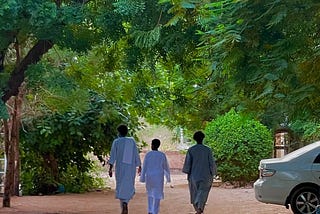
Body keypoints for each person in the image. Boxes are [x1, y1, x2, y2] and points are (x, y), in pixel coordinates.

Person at [108, 124, 142, 214]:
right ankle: (125, 203)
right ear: (126, 132)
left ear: (119, 132)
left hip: (120, 168)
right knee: (128, 184)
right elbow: (136, 154)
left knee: (121, 184)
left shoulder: (116, 142)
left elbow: (112, 156)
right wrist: (139, 166)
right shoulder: (132, 141)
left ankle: (123, 204)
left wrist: (110, 168)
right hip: (130, 168)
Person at [182, 131, 217, 214]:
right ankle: (200, 207)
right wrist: (214, 172)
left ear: (194, 139)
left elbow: (188, 163)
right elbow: (211, 163)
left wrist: (188, 173)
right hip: (206, 175)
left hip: (194, 175)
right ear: (203, 138)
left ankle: (198, 209)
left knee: (194, 192)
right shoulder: (208, 150)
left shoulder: (191, 150)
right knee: (203, 191)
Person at [140, 139, 171, 214]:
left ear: (152, 145)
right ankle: (155, 211)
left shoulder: (148, 154)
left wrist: (142, 178)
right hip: (158, 177)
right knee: (157, 194)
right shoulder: (162, 155)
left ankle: (150, 210)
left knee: (150, 193)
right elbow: (166, 167)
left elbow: (144, 167)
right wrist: (168, 178)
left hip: (149, 177)